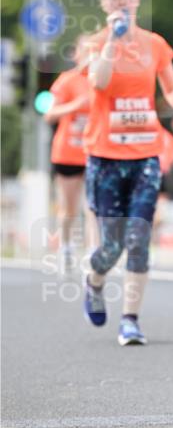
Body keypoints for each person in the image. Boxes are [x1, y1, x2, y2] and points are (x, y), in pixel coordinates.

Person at [83, 0, 173, 345]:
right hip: (105, 155)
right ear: (103, 4)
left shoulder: (155, 44)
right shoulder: (95, 42)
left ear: (137, 1)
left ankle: (130, 319)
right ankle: (94, 280)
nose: (121, 2)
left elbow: (171, 84)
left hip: (146, 152)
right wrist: (113, 38)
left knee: (139, 236)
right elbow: (98, 81)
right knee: (111, 247)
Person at [44, 36, 97, 273]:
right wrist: (75, 105)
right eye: (84, 50)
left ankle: (92, 252)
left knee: (93, 206)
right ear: (76, 54)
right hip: (67, 152)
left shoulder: (101, 80)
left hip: (94, 151)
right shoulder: (67, 80)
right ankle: (65, 247)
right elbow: (50, 114)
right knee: (69, 208)